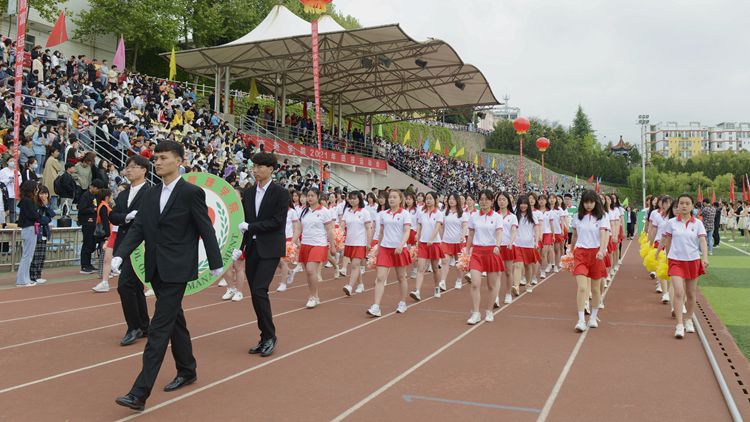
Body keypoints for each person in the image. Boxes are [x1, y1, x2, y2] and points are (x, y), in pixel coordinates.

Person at [112, 140, 223, 411]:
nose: (158, 162)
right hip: (155, 268)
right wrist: (121, 254)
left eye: (163, 158)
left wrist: (216, 262)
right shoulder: (151, 194)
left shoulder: (191, 193)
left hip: (177, 269)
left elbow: (205, 228)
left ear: (179, 161)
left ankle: (139, 393)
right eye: (156, 158)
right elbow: (139, 228)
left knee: (159, 328)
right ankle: (187, 369)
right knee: (175, 320)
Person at [234, 151, 289, 358]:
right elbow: (243, 224)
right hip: (252, 248)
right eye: (253, 167)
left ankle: (270, 336)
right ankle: (264, 336)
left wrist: (251, 227)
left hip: (270, 248)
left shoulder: (280, 193)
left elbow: (277, 222)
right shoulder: (248, 193)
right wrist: (239, 246)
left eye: (259, 167)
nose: (255, 170)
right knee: (256, 294)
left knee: (259, 290)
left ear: (271, 169)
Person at [662, 194, 709, 339]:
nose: (684, 206)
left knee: (691, 293)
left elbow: (702, 241)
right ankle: (679, 324)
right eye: (681, 203)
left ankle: (689, 319)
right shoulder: (671, 223)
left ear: (692, 206)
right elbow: (668, 240)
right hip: (676, 261)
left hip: (693, 260)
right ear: (677, 205)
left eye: (687, 203)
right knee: (678, 291)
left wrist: (705, 258)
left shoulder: (698, 223)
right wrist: (668, 256)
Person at [367, 190, 412, 317]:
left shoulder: (405, 214)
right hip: (385, 249)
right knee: (380, 277)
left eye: (394, 197)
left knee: (401, 277)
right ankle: (376, 306)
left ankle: (402, 302)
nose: (391, 199)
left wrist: (401, 245)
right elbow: (381, 232)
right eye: (390, 197)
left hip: (399, 249)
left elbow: (407, 231)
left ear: (400, 199)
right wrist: (378, 248)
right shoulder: (383, 214)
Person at [570, 190, 611, 332]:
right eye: (586, 202)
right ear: (582, 203)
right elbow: (574, 236)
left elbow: (604, 234)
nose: (588, 205)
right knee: (582, 287)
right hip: (580, 253)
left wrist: (602, 250)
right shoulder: (577, 217)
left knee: (595, 289)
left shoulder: (602, 217)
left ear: (596, 202)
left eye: (591, 202)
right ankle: (581, 320)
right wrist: (570, 250)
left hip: (596, 254)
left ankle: (593, 317)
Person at [465, 190, 504, 325]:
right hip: (477, 252)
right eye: (481, 199)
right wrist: (467, 249)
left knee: (491, 285)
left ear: (492, 201)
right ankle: (476, 313)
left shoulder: (497, 217)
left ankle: (489, 311)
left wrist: (497, 245)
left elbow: (499, 232)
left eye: (487, 199)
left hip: (492, 252)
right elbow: (471, 234)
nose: (484, 202)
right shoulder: (474, 216)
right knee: (475, 283)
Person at [295, 188, 336, 309]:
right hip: (305, 244)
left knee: (310, 270)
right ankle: (315, 295)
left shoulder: (324, 211)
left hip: (319, 244)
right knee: (309, 273)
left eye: (312, 195)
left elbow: (329, 230)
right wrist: (291, 243)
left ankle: (312, 297)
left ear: (318, 197)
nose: (309, 198)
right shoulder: (303, 211)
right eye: (308, 195)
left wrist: (332, 246)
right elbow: (298, 229)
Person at [411, 191, 445, 301]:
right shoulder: (422, 212)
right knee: (420, 268)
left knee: (435, 268)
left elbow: (437, 227)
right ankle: (417, 291)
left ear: (435, 200)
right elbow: (419, 224)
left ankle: (437, 287)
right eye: (427, 199)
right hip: (423, 243)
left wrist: (431, 239)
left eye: (430, 198)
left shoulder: (438, 213)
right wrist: (417, 234)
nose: (428, 201)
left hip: (434, 243)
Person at [341, 191, 373, 296]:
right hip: (349, 242)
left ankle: (350, 286)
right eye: (350, 198)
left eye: (354, 198)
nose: (352, 200)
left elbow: (368, 228)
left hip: (360, 242)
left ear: (359, 199)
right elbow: (342, 226)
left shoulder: (364, 212)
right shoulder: (347, 211)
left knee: (355, 265)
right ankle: (360, 284)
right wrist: (338, 236)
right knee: (355, 265)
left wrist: (368, 243)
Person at [512, 195, 540, 296]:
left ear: (527, 205)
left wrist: (536, 241)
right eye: (521, 204)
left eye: (525, 204)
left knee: (528, 266)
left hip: (529, 245)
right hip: (517, 244)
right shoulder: (514, 216)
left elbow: (536, 230)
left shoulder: (533, 216)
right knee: (517, 265)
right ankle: (516, 286)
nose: (523, 206)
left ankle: (528, 283)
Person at [439, 193, 468, 290]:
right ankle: (442, 282)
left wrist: (463, 235)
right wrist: (441, 238)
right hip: (446, 241)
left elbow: (465, 226)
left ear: (457, 201)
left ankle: (459, 280)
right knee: (445, 261)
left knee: (459, 263)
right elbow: (441, 227)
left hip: (459, 242)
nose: (451, 201)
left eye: (453, 199)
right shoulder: (444, 213)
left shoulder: (462, 214)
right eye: (450, 199)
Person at [78, 179, 105, 274]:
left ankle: (88, 264)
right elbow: (81, 209)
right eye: (97, 189)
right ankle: (84, 265)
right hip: (87, 223)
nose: (98, 191)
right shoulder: (85, 196)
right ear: (92, 187)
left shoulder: (95, 196)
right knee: (87, 244)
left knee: (91, 244)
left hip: (93, 223)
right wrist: (93, 209)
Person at [29, 185, 55, 284]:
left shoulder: (47, 204)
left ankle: (38, 275)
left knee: (42, 256)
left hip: (44, 231)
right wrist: (46, 219)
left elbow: (51, 215)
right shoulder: (35, 204)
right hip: (36, 231)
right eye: (41, 193)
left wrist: (46, 205)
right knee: (36, 256)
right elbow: (39, 219)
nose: (44, 196)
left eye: (45, 193)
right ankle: (33, 276)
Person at [495, 192, 517, 305]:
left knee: (508, 271)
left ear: (508, 201)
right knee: (497, 272)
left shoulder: (512, 217)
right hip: (496, 247)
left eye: (504, 199)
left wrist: (511, 242)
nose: (501, 202)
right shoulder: (494, 215)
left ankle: (508, 294)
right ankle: (495, 296)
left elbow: (513, 231)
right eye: (499, 199)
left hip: (508, 246)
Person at [16, 181, 40, 287]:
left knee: (28, 256)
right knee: (27, 256)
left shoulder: (26, 200)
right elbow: (33, 215)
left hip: (29, 228)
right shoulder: (27, 201)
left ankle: (25, 278)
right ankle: (22, 280)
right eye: (36, 188)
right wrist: (40, 217)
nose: (37, 190)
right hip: (29, 228)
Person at [92, 189, 113, 292]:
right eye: (111, 196)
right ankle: (101, 272)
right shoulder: (104, 207)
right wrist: (108, 234)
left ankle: (103, 272)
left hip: (104, 232)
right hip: (104, 232)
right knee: (104, 254)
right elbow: (105, 221)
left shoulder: (102, 205)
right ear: (107, 197)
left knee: (104, 253)